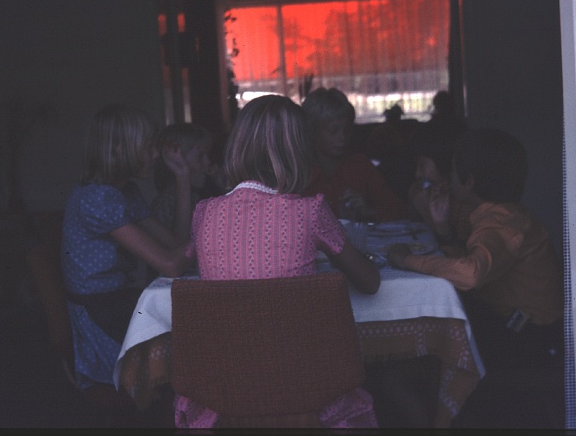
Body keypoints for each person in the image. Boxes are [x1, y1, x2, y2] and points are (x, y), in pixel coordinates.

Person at [174, 94, 380, 429]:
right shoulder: (310, 210)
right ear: (300, 151)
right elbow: (370, 283)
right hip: (306, 390)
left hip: (223, 391)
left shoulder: (204, 213)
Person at [387, 128, 563, 371]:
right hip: (514, 320)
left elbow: (471, 273)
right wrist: (443, 232)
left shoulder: (501, 223)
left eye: (452, 170)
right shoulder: (498, 214)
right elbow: (475, 263)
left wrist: (406, 260)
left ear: (469, 182)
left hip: (531, 335)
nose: (448, 177)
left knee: (434, 337)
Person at [61, 104, 194, 391]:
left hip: (119, 303)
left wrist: (182, 177)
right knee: (193, 343)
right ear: (120, 149)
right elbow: (170, 264)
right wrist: (216, 235)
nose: (155, 154)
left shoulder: (124, 192)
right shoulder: (97, 198)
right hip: (101, 316)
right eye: (149, 147)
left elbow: (176, 246)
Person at [301, 87, 406, 221]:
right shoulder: (298, 173)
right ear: (312, 131)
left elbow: (398, 210)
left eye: (347, 130)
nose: (342, 137)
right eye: (334, 131)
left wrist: (369, 212)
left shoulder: (360, 166)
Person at [150, 123, 218, 234]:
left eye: (207, 155)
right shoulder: (165, 205)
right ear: (175, 160)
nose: (208, 162)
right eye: (199, 157)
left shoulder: (200, 196)